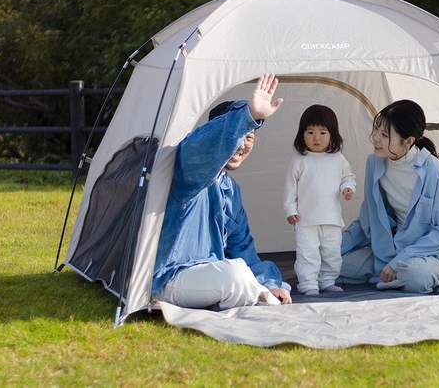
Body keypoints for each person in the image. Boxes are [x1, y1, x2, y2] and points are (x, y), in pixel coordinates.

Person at [152, 73, 292, 309]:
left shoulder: (230, 189)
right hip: (171, 277)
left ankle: (263, 292)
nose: (241, 145)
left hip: (209, 272)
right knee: (235, 275)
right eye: (236, 137)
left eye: (249, 138)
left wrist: (270, 283)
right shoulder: (189, 169)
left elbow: (242, 247)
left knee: (250, 272)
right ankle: (265, 299)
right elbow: (200, 146)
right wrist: (249, 116)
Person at [337, 99, 439, 293]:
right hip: (389, 250)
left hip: (432, 254)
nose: (375, 138)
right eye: (376, 129)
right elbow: (369, 220)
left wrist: (402, 259)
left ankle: (394, 275)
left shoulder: (434, 171)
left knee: (417, 275)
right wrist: (333, 248)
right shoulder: (375, 162)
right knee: (328, 267)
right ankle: (390, 275)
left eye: (384, 135)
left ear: (408, 141)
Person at [283, 105, 356, 296]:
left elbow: (348, 177)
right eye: (310, 132)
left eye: (323, 132)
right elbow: (290, 188)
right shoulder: (299, 160)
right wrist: (290, 210)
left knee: (332, 254)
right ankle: (308, 284)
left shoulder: (338, 159)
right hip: (305, 220)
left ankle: (327, 281)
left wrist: (347, 188)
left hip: (332, 219)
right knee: (307, 254)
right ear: (302, 135)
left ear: (332, 135)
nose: (316, 137)